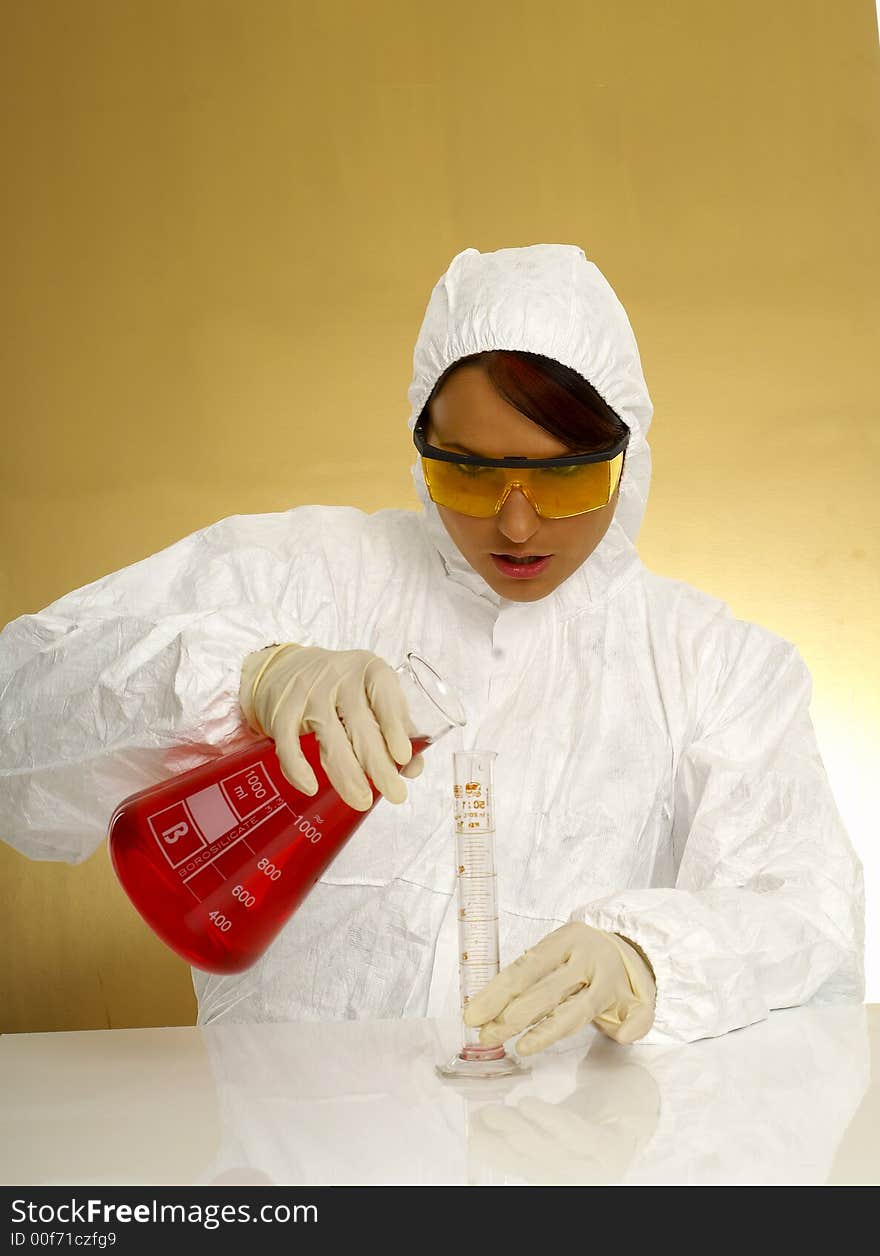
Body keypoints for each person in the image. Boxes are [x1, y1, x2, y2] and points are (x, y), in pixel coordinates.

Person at [0, 243, 865, 1051]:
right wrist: (247, 672)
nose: (516, 523)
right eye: (468, 471)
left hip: (565, 1174)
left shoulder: (715, 666)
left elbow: (810, 922)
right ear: (422, 453)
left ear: (627, 460)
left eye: (565, 476)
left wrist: (652, 962)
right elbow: (18, 721)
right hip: (289, 1163)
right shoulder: (313, 576)